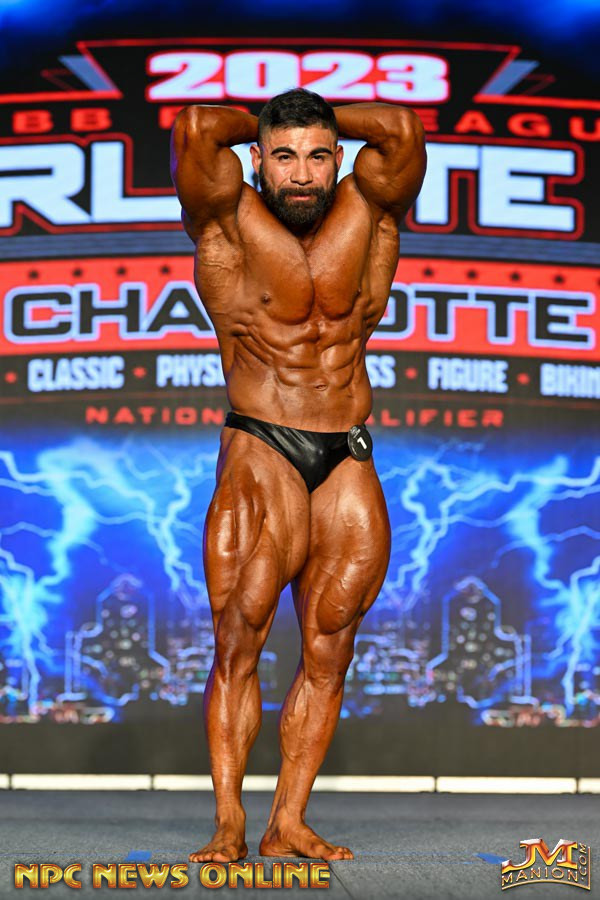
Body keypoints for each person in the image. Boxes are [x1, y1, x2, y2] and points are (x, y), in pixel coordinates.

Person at [170, 88, 426, 863]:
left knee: (330, 644)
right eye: (284, 156)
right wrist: (274, 118)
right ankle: (228, 821)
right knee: (239, 637)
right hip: (262, 445)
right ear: (257, 159)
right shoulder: (226, 217)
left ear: (340, 156)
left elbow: (402, 130)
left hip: (346, 451)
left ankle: (288, 821)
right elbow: (195, 127)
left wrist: (314, 118)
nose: (303, 173)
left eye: (318, 155)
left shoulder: (371, 207)